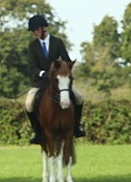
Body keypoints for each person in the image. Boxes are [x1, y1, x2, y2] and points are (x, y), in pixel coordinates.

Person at [25, 14, 86, 143]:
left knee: (79, 97)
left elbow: (66, 60)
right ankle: (36, 132)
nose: (35, 33)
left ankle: (77, 126)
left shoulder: (57, 42)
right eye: (33, 31)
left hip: (59, 81)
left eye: (36, 30)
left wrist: (61, 70)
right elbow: (32, 67)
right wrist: (43, 74)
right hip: (41, 82)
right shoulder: (32, 46)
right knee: (29, 103)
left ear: (43, 29)